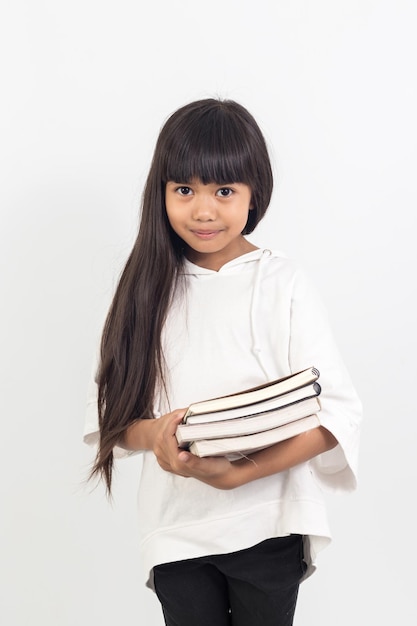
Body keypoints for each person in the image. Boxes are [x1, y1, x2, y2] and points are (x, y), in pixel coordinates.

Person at [83, 98, 362, 626]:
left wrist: (240, 475)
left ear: (255, 193)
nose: (204, 210)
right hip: (176, 532)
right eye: (184, 190)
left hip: (270, 524)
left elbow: (336, 416)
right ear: (160, 192)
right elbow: (113, 421)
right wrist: (158, 436)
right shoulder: (145, 289)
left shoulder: (282, 282)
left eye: (224, 191)